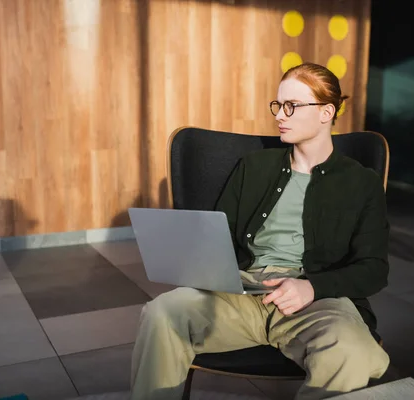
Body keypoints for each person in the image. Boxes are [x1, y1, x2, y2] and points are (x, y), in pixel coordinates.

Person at [130, 62, 391, 400]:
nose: (280, 115)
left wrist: (313, 286)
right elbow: (219, 235)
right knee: (162, 312)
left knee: (350, 349)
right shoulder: (254, 167)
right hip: (240, 295)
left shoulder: (361, 182)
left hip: (317, 301)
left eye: (292, 106)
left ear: (327, 112)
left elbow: (374, 269)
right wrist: (190, 255)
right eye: (278, 105)